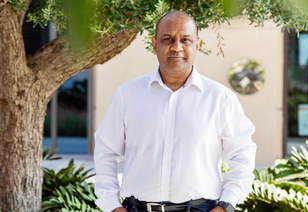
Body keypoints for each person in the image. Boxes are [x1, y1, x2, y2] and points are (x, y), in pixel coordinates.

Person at [94, 11, 257, 212]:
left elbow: (242, 154)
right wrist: (112, 205)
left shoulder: (220, 99)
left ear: (197, 45)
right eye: (167, 39)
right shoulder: (127, 95)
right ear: (155, 44)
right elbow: (106, 152)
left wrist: (226, 205)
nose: (176, 47)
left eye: (185, 40)